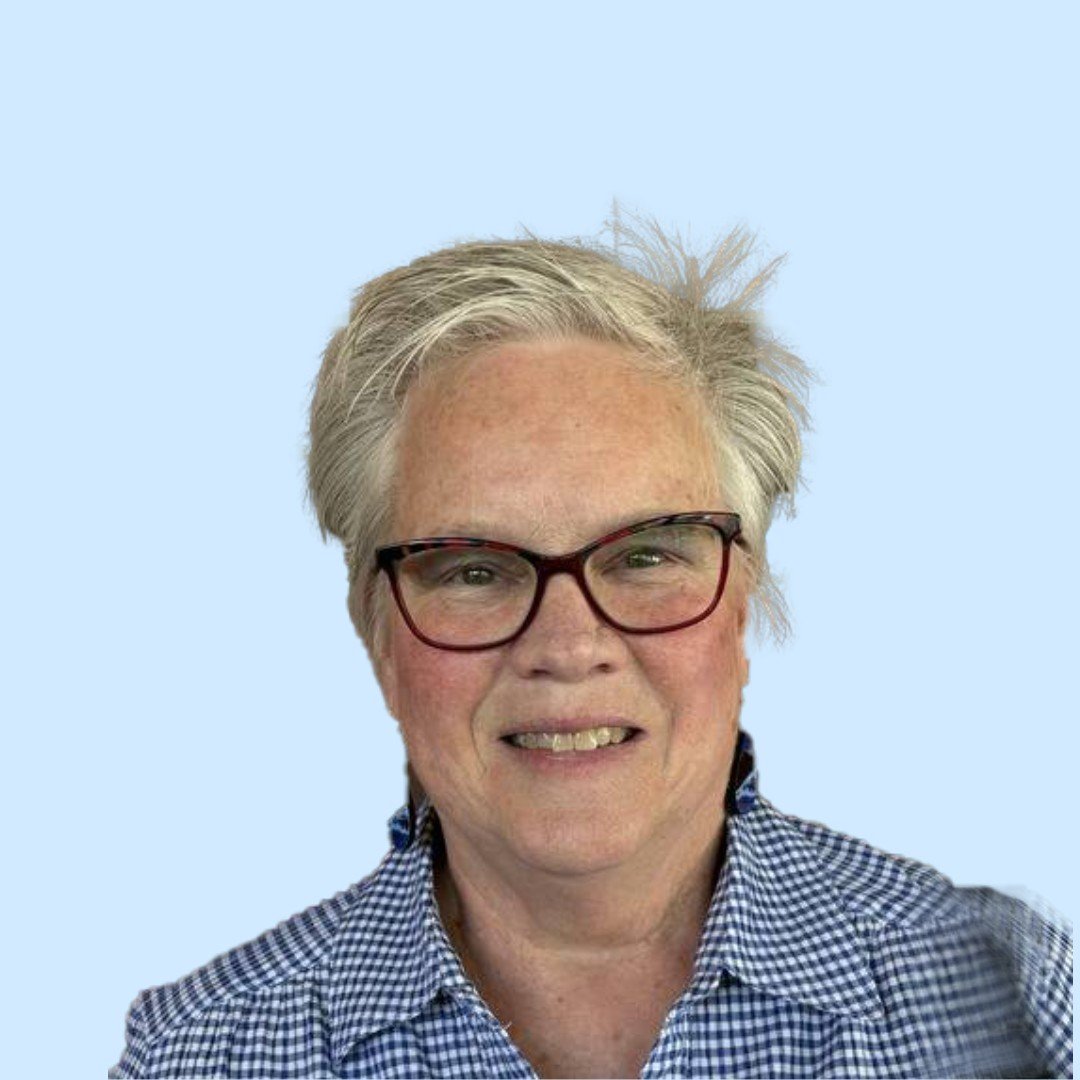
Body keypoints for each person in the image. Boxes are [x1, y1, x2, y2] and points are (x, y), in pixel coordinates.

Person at [110, 216, 1072, 1079]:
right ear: (376, 631)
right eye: (474, 569)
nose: (569, 647)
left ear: (744, 602)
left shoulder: (1021, 1004)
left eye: (647, 554)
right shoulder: (205, 1053)